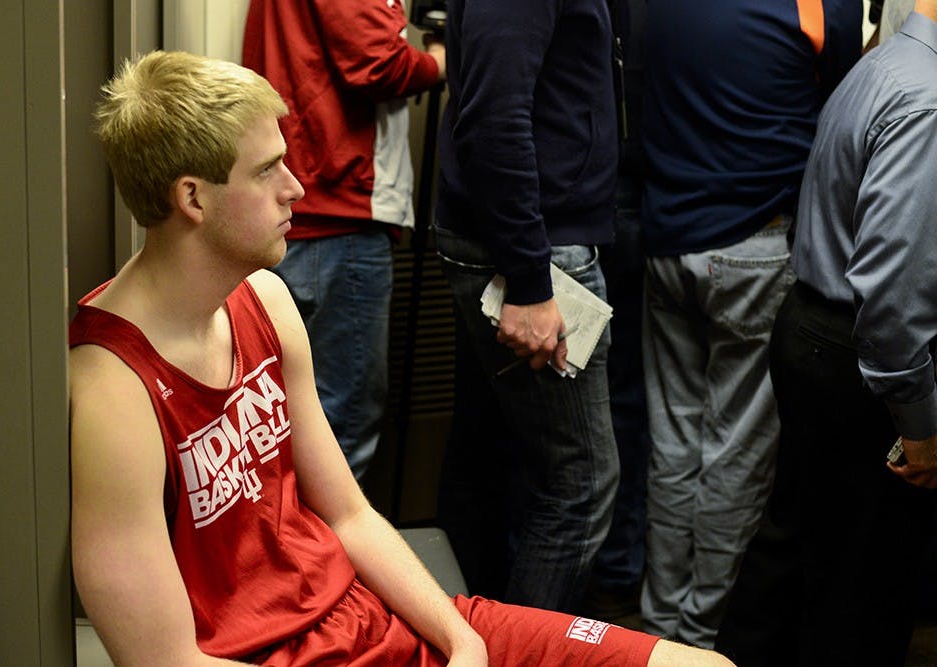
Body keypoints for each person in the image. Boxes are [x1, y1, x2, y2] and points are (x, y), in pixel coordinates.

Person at [69, 49, 735, 667]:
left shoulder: (264, 301)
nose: (297, 188)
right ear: (192, 197)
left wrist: (462, 640)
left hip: (375, 620)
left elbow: (350, 515)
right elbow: (167, 661)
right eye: (268, 170)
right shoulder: (111, 388)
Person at [715, 4, 937, 665]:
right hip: (860, 357)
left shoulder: (885, 64)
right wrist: (921, 425)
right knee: (861, 590)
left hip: (815, 328)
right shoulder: (928, 98)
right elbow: (894, 295)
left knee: (795, 554)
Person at [636, 0, 862, 647]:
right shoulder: (820, 5)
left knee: (674, 445)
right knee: (736, 453)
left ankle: (659, 630)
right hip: (752, 246)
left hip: (667, 241)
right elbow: (842, 112)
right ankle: (701, 638)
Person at [433, 0, 622, 613]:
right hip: (530, 253)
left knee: (494, 462)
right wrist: (530, 283)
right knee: (581, 487)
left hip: (529, 244)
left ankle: (480, 642)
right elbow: (493, 121)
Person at [240, 0, 445, 479]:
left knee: (289, 425)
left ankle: (291, 548)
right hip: (337, 208)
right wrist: (438, 62)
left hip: (306, 204)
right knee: (340, 428)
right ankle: (318, 555)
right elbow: (377, 64)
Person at [585, 0, 652, 621]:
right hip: (623, 192)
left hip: (602, 194)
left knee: (612, 400)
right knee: (623, 400)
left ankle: (610, 575)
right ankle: (613, 574)